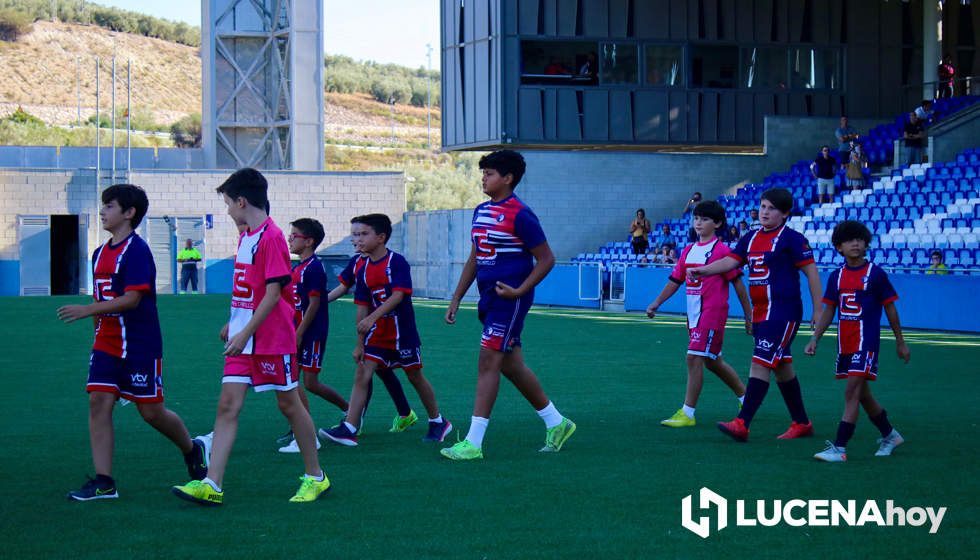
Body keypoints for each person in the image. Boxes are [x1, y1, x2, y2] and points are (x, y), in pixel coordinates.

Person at [171, 168, 330, 506]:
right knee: (228, 405)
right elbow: (250, 289)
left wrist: (245, 330)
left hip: (271, 339)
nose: (228, 210)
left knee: (289, 404)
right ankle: (212, 483)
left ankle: (316, 476)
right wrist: (235, 323)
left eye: (229, 203)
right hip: (244, 337)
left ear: (241, 201)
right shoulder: (246, 235)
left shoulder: (271, 237)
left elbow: (274, 294)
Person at [57, 184, 208, 501]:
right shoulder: (99, 253)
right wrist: (95, 335)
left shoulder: (137, 251)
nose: (103, 212)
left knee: (151, 413)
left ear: (129, 213)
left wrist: (87, 310)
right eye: (103, 206)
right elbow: (103, 299)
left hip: (140, 344)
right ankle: (104, 482)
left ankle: (192, 449)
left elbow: (132, 299)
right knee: (98, 402)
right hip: (106, 345)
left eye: (109, 206)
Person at [443, 150, 575, 460]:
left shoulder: (521, 214)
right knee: (512, 366)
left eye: (489, 173)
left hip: (509, 301)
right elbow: (476, 256)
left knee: (488, 361)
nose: (483, 178)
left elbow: (547, 259)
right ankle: (557, 423)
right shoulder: (480, 211)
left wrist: (520, 290)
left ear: (508, 178)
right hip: (490, 298)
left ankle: (473, 443)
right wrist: (457, 297)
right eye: (483, 173)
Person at [688, 187, 823, 443]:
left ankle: (742, 422)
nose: (765, 212)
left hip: (783, 312)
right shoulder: (750, 237)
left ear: (785, 214)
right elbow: (732, 262)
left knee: (759, 363)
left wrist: (818, 309)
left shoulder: (793, 239)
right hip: (762, 312)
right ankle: (802, 422)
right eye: (763, 207)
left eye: (772, 208)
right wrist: (704, 270)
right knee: (782, 368)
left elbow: (812, 273)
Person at [320, 214, 452, 446]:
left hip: (402, 333)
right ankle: (350, 426)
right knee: (363, 372)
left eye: (363, 234)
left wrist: (373, 317)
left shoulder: (396, 262)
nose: (357, 240)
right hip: (377, 334)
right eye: (355, 235)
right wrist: (359, 343)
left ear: (381, 238)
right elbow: (361, 305)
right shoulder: (361, 265)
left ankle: (438, 421)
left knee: (415, 376)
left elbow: (399, 295)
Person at [805, 221, 910, 462]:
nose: (855, 243)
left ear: (866, 244)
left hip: (867, 343)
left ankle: (839, 449)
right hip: (846, 344)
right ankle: (890, 434)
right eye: (849, 240)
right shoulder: (836, 276)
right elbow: (829, 310)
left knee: (851, 391)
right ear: (838, 247)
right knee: (862, 394)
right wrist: (815, 339)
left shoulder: (876, 274)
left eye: (860, 239)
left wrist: (900, 341)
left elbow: (891, 309)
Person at [645, 201, 752, 428]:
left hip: (712, 314)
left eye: (704, 219)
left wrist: (748, 316)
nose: (698, 223)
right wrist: (656, 303)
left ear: (718, 223)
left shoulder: (722, 251)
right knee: (712, 362)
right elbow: (675, 281)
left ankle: (687, 413)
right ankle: (747, 399)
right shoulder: (688, 250)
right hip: (693, 316)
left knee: (693, 357)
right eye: (696, 218)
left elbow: (739, 285)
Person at [274, 218, 346, 453]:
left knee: (299, 383)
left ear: (309, 241)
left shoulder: (314, 267)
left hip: (310, 334)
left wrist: (299, 333)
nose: (289, 239)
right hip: (297, 332)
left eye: (294, 235)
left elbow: (315, 304)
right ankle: (350, 411)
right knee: (301, 382)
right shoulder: (299, 267)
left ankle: (307, 436)